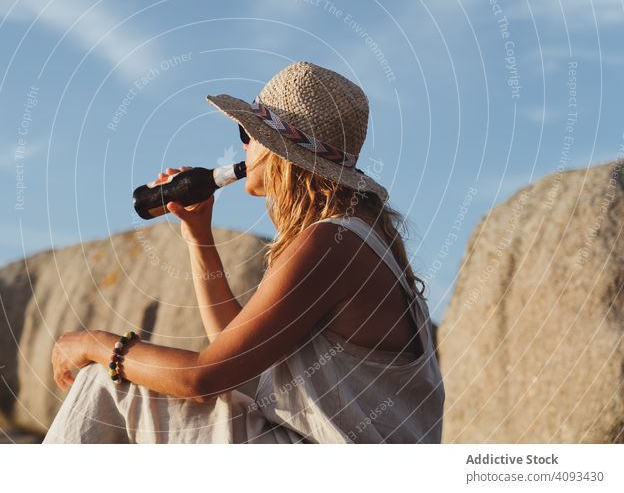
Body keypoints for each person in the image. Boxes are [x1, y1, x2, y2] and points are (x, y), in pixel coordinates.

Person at [42, 61, 445, 443]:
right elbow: (232, 354)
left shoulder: (329, 244)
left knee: (106, 382)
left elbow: (205, 378)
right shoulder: (350, 236)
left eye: (247, 134)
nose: (245, 145)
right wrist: (199, 237)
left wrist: (95, 343)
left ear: (277, 149)